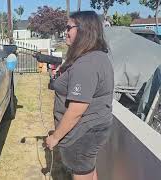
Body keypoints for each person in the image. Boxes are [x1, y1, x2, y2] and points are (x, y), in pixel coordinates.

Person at [45, 11, 114, 180]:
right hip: (94, 128)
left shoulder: (86, 65)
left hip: (83, 132)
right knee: (87, 169)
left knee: (82, 172)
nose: (65, 31)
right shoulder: (97, 56)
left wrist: (55, 137)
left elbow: (76, 110)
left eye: (69, 27)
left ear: (84, 30)